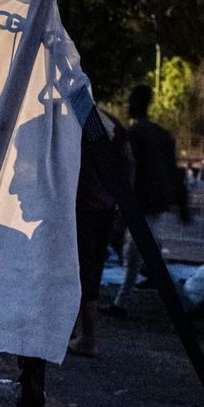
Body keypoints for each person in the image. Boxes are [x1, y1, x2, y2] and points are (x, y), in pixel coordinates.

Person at [106, 85, 190, 316]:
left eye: (130, 101)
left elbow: (131, 171)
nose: (127, 106)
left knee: (135, 252)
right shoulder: (161, 134)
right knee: (139, 251)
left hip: (142, 202)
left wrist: (123, 205)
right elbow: (173, 170)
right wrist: (181, 202)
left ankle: (180, 302)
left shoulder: (136, 134)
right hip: (154, 201)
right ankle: (127, 301)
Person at [69, 110, 129, 356]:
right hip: (105, 205)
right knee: (92, 267)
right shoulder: (110, 122)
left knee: (82, 269)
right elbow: (128, 159)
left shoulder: (77, 120)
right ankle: (80, 333)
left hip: (83, 204)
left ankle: (87, 337)